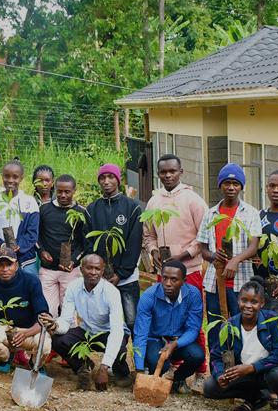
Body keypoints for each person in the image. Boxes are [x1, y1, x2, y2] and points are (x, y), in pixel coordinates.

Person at [141, 153, 210, 373]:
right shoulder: (154, 201)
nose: (168, 175)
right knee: (166, 318)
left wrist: (180, 257)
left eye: (172, 171)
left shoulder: (193, 200)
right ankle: (169, 366)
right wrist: (154, 251)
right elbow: (148, 235)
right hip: (165, 273)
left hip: (190, 270)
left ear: (181, 172)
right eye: (163, 172)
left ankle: (200, 369)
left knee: (192, 320)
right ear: (158, 174)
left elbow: (203, 237)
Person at [202, 277, 278, 411]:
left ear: (262, 303)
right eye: (244, 300)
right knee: (210, 387)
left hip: (267, 372)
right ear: (238, 301)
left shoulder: (273, 321)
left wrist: (252, 367)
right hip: (244, 374)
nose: (248, 306)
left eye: (254, 302)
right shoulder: (230, 325)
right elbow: (216, 356)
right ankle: (256, 397)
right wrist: (220, 375)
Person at [44, 253, 127, 390]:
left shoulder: (111, 292)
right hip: (87, 330)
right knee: (58, 340)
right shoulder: (73, 287)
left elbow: (116, 331)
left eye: (97, 269)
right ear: (81, 269)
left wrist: (104, 368)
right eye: (89, 268)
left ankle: (122, 373)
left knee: (120, 347)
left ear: (102, 271)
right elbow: (66, 319)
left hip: (108, 332)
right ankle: (83, 366)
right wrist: (55, 325)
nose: (93, 272)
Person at [198, 163, 262, 327]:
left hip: (241, 282)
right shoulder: (210, 214)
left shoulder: (251, 213)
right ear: (220, 185)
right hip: (214, 281)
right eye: (227, 183)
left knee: (241, 326)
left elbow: (253, 246)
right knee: (216, 326)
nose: (231, 187)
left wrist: (235, 260)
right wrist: (213, 255)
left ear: (241, 187)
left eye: (236, 184)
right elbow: (203, 249)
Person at [87, 163, 143, 343]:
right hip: (101, 278)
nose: (106, 181)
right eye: (102, 178)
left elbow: (134, 243)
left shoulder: (132, 207)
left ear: (118, 180)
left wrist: (121, 274)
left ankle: (140, 358)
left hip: (127, 278)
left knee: (132, 321)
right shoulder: (92, 209)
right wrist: (100, 273)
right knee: (105, 323)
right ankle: (116, 357)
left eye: (111, 177)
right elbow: (90, 244)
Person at [0, 245, 51, 373]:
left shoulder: (31, 281)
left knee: (45, 344)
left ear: (16, 265)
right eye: (0, 265)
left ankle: (36, 363)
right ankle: (6, 358)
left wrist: (26, 333)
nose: (5, 269)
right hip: (5, 328)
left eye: (9, 265)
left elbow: (43, 317)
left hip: (30, 330)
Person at [133, 260, 205, 395]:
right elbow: (140, 333)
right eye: (165, 278)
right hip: (156, 339)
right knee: (157, 362)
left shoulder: (193, 294)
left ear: (184, 281)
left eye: (174, 279)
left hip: (179, 341)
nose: (168, 283)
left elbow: (193, 329)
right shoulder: (149, 296)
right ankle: (155, 371)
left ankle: (176, 379)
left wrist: (176, 344)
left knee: (197, 355)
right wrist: (139, 369)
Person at [37, 174, 90, 314]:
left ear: (74, 191)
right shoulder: (44, 209)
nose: (63, 195)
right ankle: (50, 329)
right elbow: (36, 235)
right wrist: (41, 251)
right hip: (47, 270)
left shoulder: (81, 212)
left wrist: (73, 260)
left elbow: (85, 243)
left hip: (70, 272)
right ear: (54, 189)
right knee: (48, 311)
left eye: (67, 192)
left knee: (69, 311)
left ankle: (68, 329)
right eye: (59, 191)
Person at [0, 160, 40, 276]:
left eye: (15, 177)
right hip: (0, 256)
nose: (10, 180)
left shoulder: (29, 202)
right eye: (7, 176)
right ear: (2, 176)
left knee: (29, 282)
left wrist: (18, 246)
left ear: (21, 178)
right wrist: (0, 245)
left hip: (25, 258)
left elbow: (32, 232)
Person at [255, 169, 278, 313]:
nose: (276, 190)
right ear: (266, 188)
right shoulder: (258, 216)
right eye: (272, 186)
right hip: (259, 284)